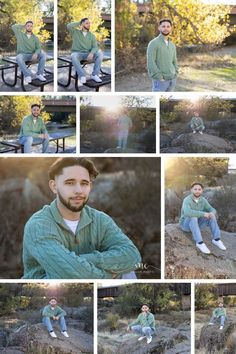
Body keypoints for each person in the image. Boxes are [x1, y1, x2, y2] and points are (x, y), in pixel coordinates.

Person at [23, 157, 141, 279]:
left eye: (84, 183)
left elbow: (133, 256)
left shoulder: (100, 220)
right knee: (120, 271)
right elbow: (67, 273)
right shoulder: (39, 225)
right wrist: (108, 275)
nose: (78, 190)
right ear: (54, 186)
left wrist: (82, 259)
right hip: (52, 285)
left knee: (128, 271)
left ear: (90, 186)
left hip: (88, 282)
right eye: (70, 183)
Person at [180, 182, 226, 254]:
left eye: (199, 189)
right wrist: (203, 214)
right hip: (186, 225)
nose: (197, 191)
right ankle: (200, 243)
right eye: (195, 189)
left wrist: (212, 213)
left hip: (197, 225)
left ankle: (216, 239)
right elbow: (187, 212)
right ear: (191, 190)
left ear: (202, 190)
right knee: (193, 217)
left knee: (211, 216)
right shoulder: (187, 200)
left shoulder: (203, 200)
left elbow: (212, 209)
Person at [67, 18, 103, 85]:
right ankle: (82, 76)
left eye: (89, 23)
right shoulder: (75, 32)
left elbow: (95, 47)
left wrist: (91, 53)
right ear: (82, 24)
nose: (89, 25)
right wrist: (79, 22)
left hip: (88, 55)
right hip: (78, 53)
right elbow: (68, 26)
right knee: (73, 56)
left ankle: (94, 75)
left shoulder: (92, 36)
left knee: (100, 54)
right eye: (87, 23)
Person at [147, 19, 178, 92]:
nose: (166, 28)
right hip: (160, 81)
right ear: (159, 28)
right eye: (163, 26)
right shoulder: (153, 43)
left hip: (172, 79)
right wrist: (159, 77)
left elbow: (174, 60)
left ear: (171, 28)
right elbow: (151, 62)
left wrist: (175, 73)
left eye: (168, 26)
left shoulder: (172, 45)